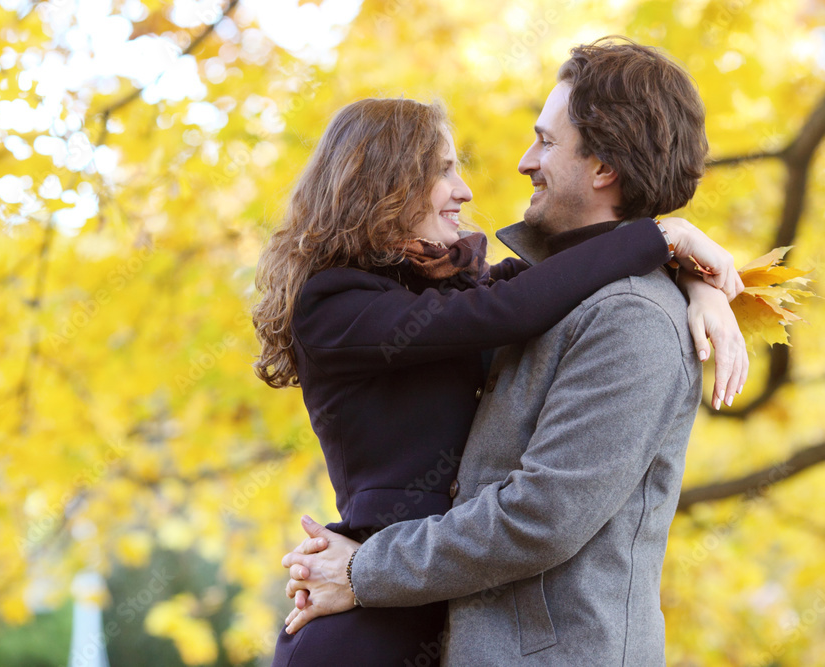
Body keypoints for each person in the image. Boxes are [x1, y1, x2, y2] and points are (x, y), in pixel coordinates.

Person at [257, 47, 745, 665]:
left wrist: (692, 271)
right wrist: (666, 241)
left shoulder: (624, 316)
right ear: (384, 185)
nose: (517, 165)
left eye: (545, 140)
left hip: (396, 592)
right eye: (442, 170)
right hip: (371, 617)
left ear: (602, 167)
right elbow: (511, 305)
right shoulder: (341, 304)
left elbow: (543, 515)